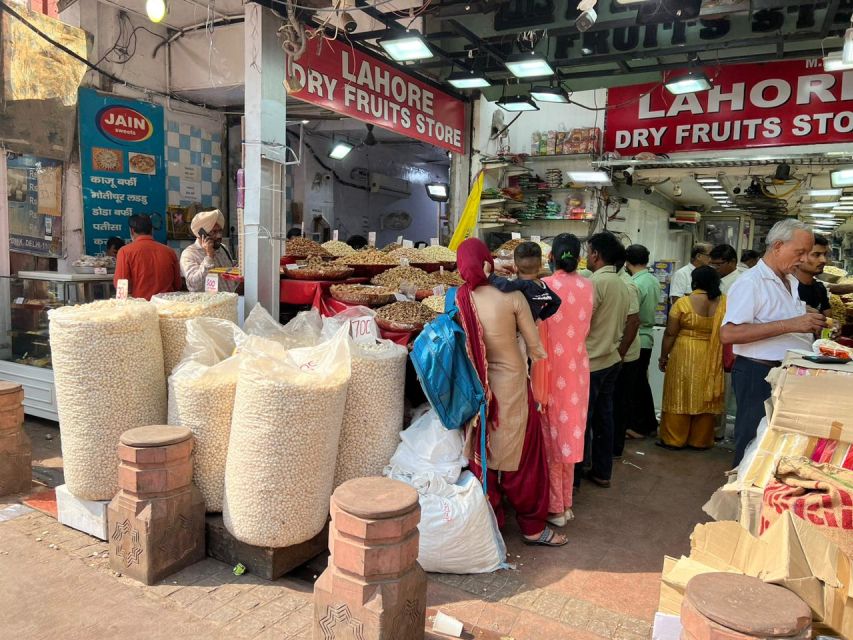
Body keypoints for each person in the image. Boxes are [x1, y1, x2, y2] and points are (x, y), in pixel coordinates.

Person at [454, 238, 566, 547]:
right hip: (513, 387)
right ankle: (532, 528)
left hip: (479, 390)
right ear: (489, 262)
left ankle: (490, 522)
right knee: (522, 460)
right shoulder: (513, 296)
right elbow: (536, 348)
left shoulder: (459, 299)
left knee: (486, 456)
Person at [721, 219, 827, 466]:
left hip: (784, 373)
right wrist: (792, 324)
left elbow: (781, 312)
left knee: (773, 443)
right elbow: (728, 334)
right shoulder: (750, 283)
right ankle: (738, 496)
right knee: (752, 441)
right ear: (778, 246)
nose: (803, 259)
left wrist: (808, 316)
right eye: (799, 252)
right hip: (758, 372)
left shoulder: (789, 281)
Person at [534, 234, 593, 525]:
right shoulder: (588, 286)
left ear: (551, 257)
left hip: (551, 369)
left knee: (550, 440)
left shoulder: (545, 288)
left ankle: (556, 508)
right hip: (578, 369)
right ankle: (566, 503)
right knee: (568, 436)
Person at [657, 266, 727, 450]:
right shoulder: (724, 303)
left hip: (684, 351)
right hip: (712, 354)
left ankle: (674, 439)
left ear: (694, 281)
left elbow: (671, 333)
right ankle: (700, 440)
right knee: (705, 394)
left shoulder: (683, 303)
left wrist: (663, 356)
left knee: (679, 391)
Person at [582, 232, 631, 488]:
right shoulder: (622, 283)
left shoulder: (595, 284)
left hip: (592, 362)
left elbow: (584, 324)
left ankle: (579, 473)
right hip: (611, 358)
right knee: (605, 417)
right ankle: (602, 471)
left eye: (588, 251)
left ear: (596, 255)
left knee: (584, 419)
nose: (586, 256)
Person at [622, 244, 660, 439]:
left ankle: (639, 425)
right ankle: (649, 423)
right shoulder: (652, 279)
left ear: (627, 261)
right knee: (641, 384)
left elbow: (633, 317)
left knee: (635, 386)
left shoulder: (635, 284)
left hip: (637, 336)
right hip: (647, 336)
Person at [113, 214, 181, 301]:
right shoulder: (169, 251)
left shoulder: (124, 252)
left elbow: (121, 287)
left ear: (132, 230)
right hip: (167, 307)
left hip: (141, 308)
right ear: (152, 230)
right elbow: (177, 285)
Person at [487, 242, 561, 321]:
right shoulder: (542, 285)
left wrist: (489, 276)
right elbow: (556, 301)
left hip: (518, 327)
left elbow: (505, 285)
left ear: (515, 267)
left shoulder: (521, 285)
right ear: (540, 266)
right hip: (532, 323)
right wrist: (540, 317)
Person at [612, 258, 641, 458]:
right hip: (615, 352)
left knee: (619, 403)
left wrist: (620, 354)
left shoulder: (626, 285)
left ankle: (615, 448)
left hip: (624, 354)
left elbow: (633, 322)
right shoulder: (615, 281)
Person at [180, 209, 233, 292]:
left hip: (228, 301)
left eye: (220, 231)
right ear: (202, 234)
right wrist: (209, 257)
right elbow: (194, 284)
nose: (219, 236)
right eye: (214, 232)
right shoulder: (189, 254)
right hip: (207, 304)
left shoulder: (223, 248)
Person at [795, 234, 831, 316]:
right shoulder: (786, 289)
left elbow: (828, 321)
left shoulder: (820, 288)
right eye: (816, 254)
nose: (824, 260)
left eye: (824, 254)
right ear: (799, 257)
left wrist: (833, 324)